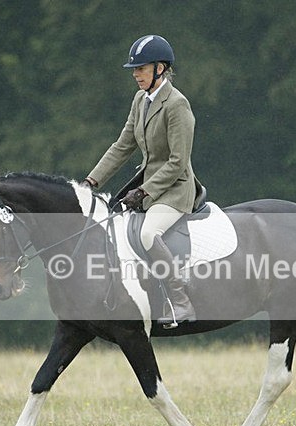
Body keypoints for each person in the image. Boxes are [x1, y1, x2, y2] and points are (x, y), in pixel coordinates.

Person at [85, 34, 201, 327]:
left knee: (148, 233)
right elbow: (122, 146)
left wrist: (144, 190)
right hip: (148, 189)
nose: (135, 74)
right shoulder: (140, 100)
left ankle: (181, 301)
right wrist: (91, 181)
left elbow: (177, 162)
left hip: (175, 190)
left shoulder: (177, 105)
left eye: (141, 68)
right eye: (134, 69)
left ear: (160, 68)